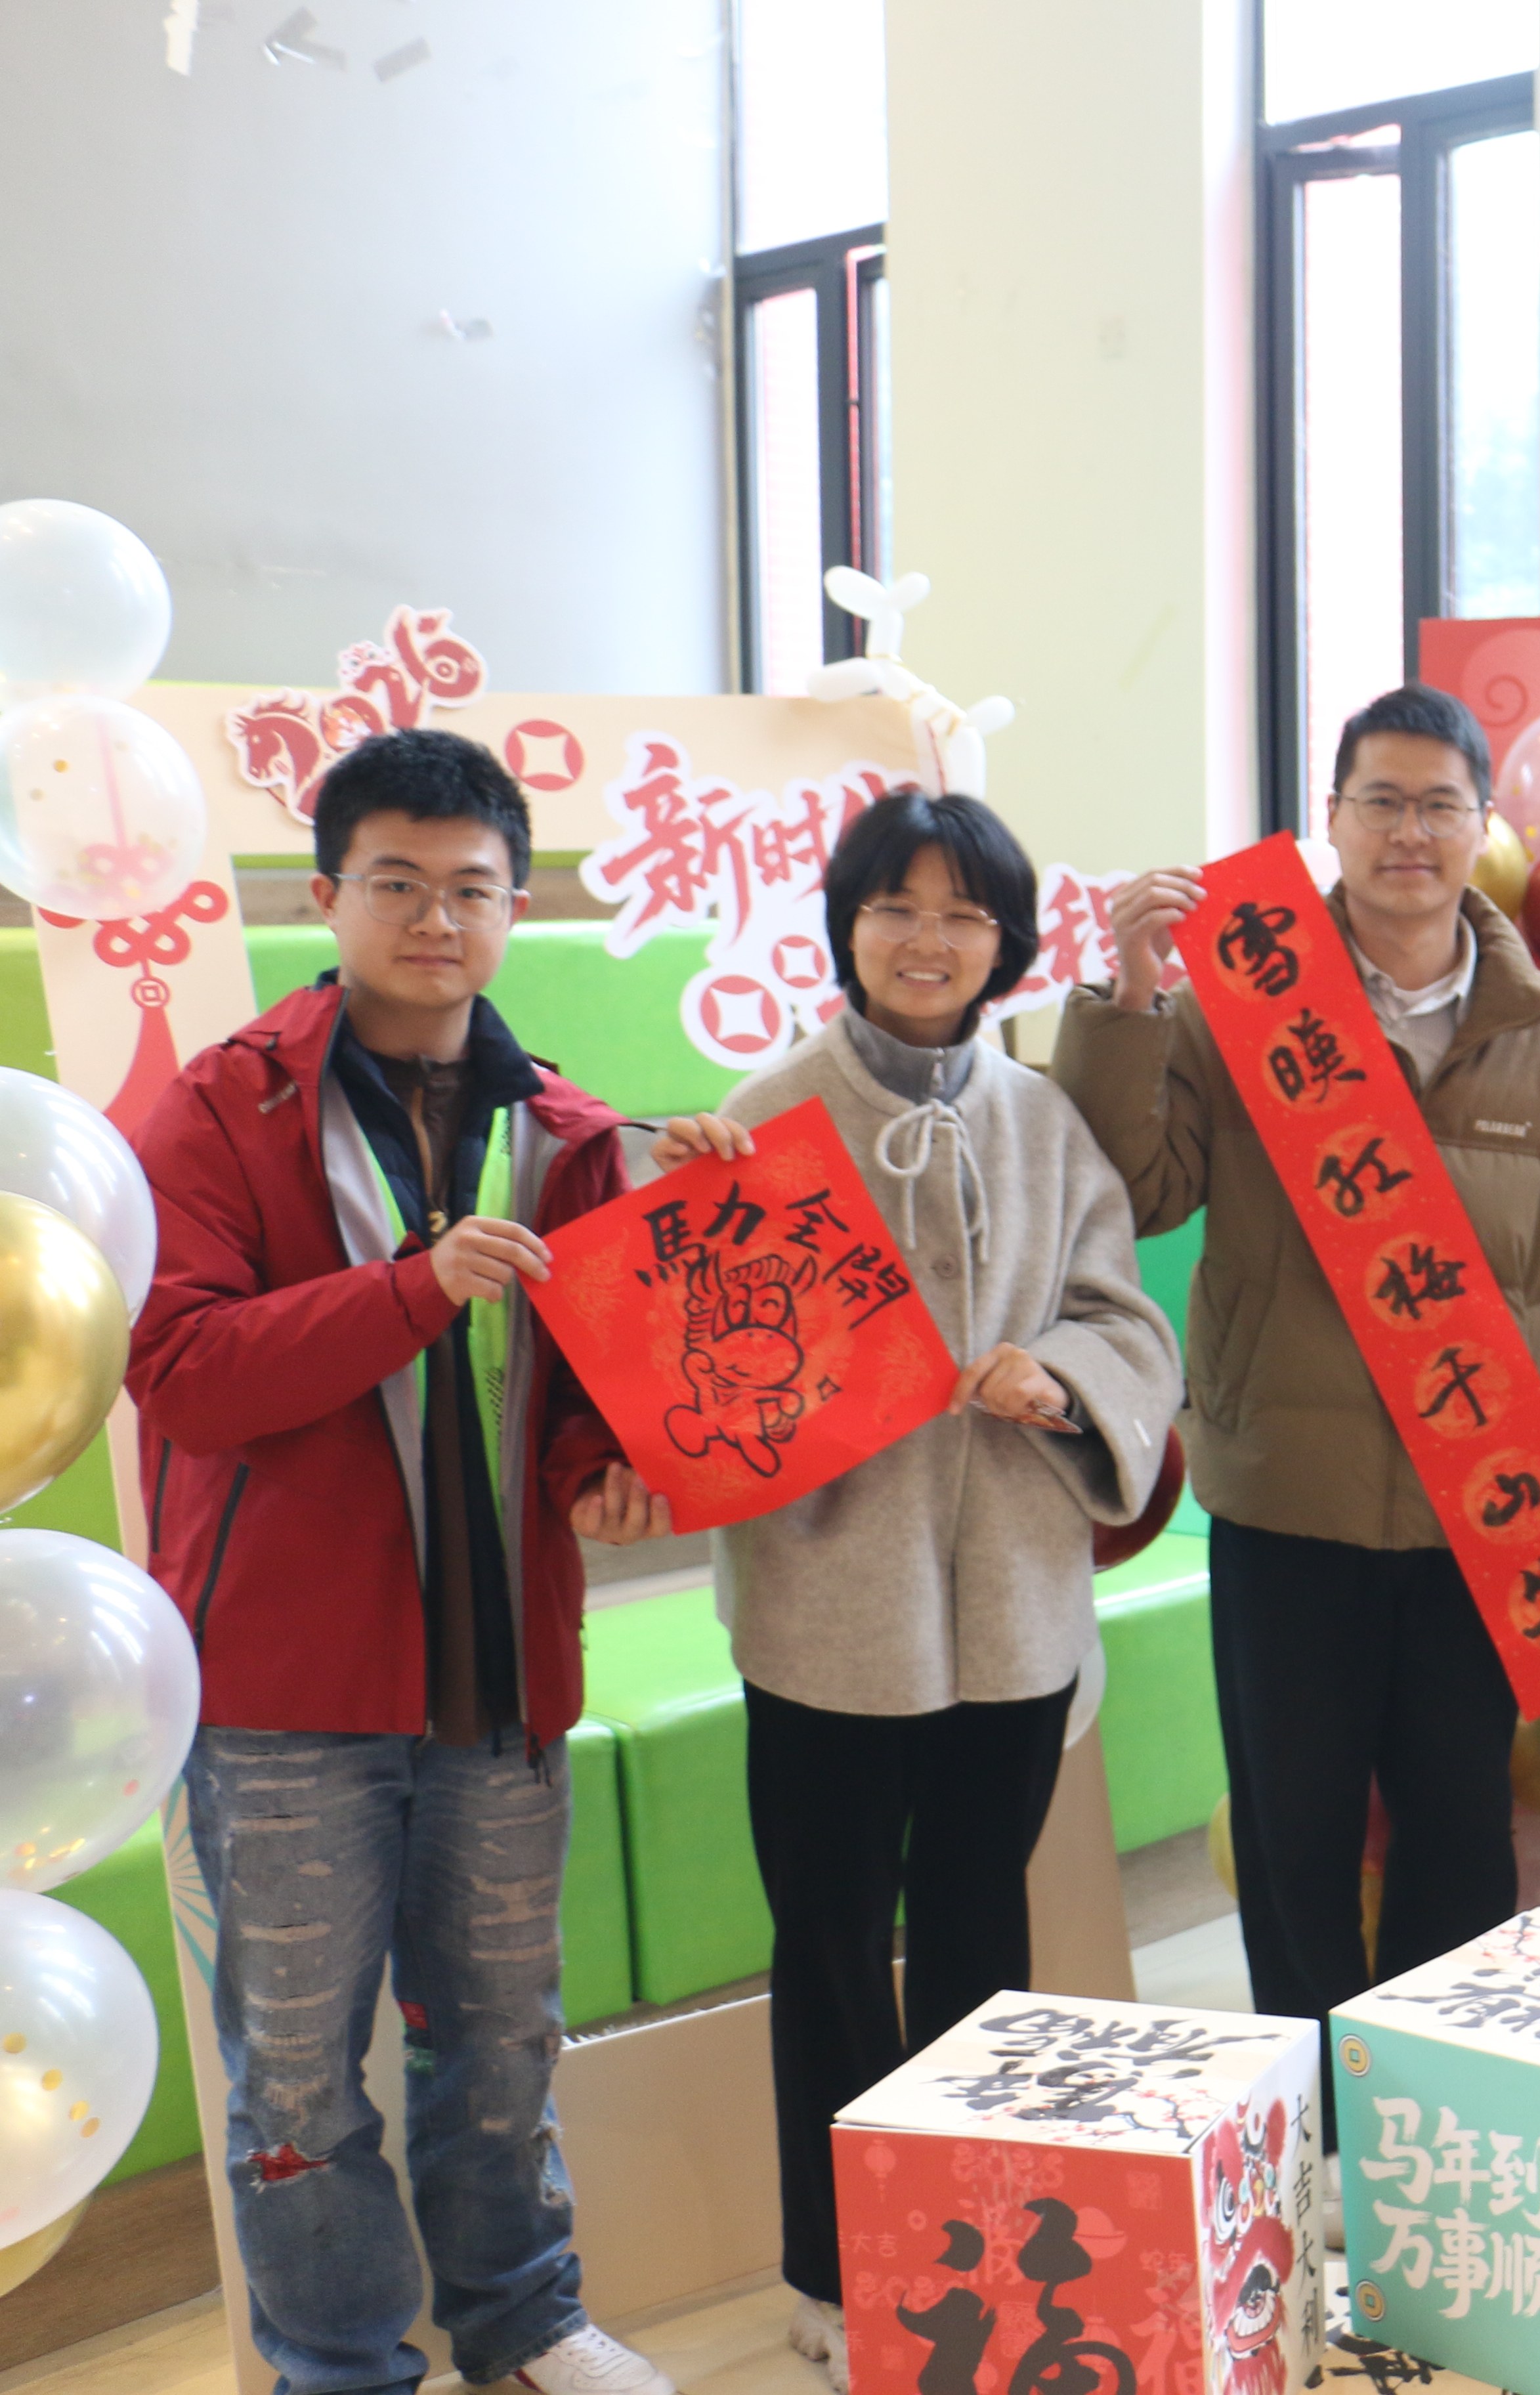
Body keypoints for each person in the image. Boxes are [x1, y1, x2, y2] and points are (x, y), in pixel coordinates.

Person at [129, 727, 681, 2395]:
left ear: (513, 907)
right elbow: (184, 1373)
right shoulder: (220, 1109)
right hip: (285, 1690)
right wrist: (414, 1288)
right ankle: (339, 2362)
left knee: (501, 2038)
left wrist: (607, 1478)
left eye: (471, 889)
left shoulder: (571, 1133)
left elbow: (576, 1399)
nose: (437, 919)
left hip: (500, 1675)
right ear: (327, 897)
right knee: (300, 2079)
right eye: (397, 884)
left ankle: (524, 2322)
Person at [1050, 684, 1540, 2073]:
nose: (1409, 832)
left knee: (1459, 1833)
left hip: (1485, 1505)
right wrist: (1131, 1000)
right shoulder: (1245, 1009)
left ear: (1483, 824)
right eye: (1380, 802)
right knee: (1297, 1838)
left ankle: (1427, 2116)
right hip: (1289, 1498)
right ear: (1329, 821)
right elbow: (1130, 1195)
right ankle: (1308, 2125)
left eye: (1440, 804)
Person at [666, 790, 1179, 2383]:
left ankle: (968, 2254)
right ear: (849, 925)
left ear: (1004, 944)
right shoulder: (766, 1113)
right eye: (897, 907)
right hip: (828, 1610)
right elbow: (703, 1356)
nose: (928, 940)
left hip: (1013, 1609)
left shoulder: (1044, 1121)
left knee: (978, 1941)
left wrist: (1062, 1375)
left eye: (964, 914)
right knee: (828, 1948)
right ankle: (835, 2274)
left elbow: (1127, 1317)